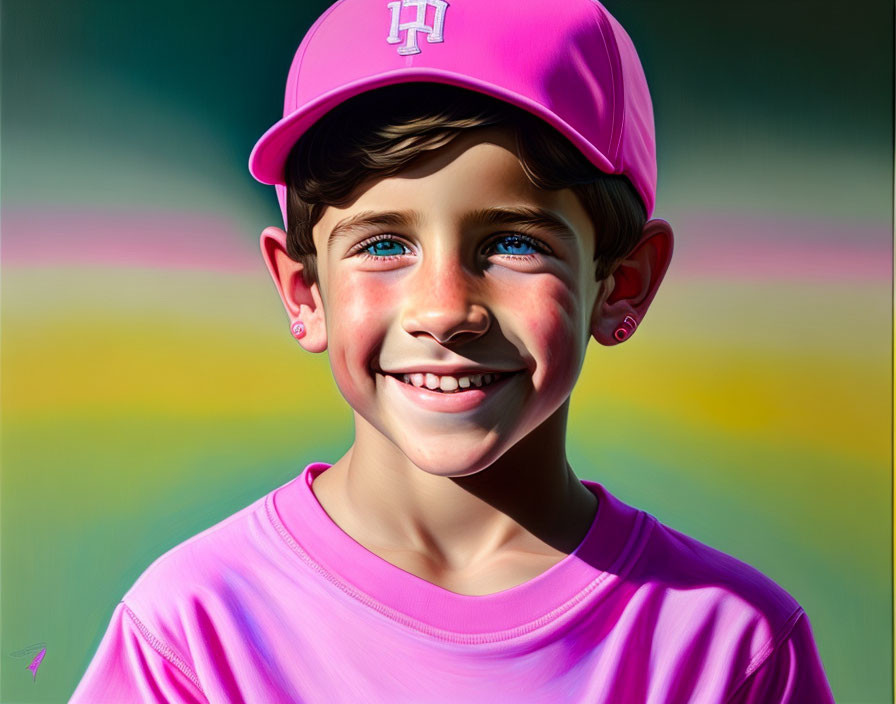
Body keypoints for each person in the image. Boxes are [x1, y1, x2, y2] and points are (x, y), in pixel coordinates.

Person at [70, 0, 837, 702]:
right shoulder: (193, 635)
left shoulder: (729, 647)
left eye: (511, 243)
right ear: (304, 293)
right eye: (382, 244)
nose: (444, 309)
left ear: (623, 282)